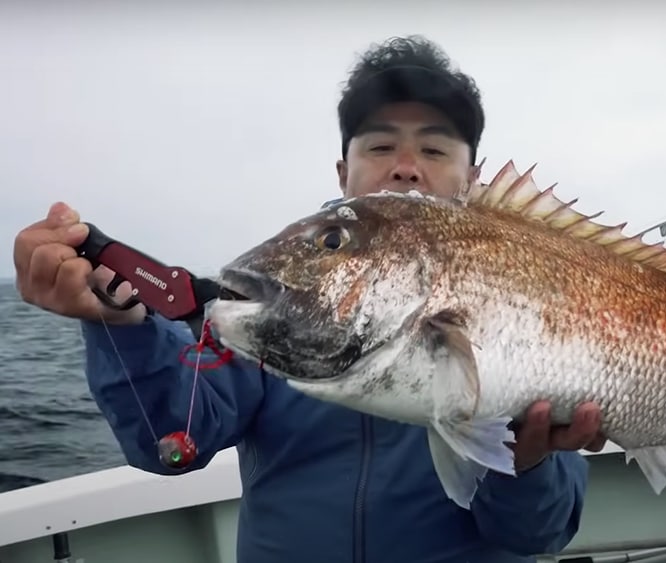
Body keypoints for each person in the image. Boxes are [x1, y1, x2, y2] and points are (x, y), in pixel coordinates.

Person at [12, 36, 607, 563]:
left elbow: (538, 533)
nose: (405, 169)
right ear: (343, 171)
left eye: (433, 150)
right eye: (379, 148)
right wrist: (123, 323)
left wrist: (527, 466)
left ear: (471, 178)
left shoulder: (531, 289)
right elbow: (171, 445)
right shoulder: (276, 311)